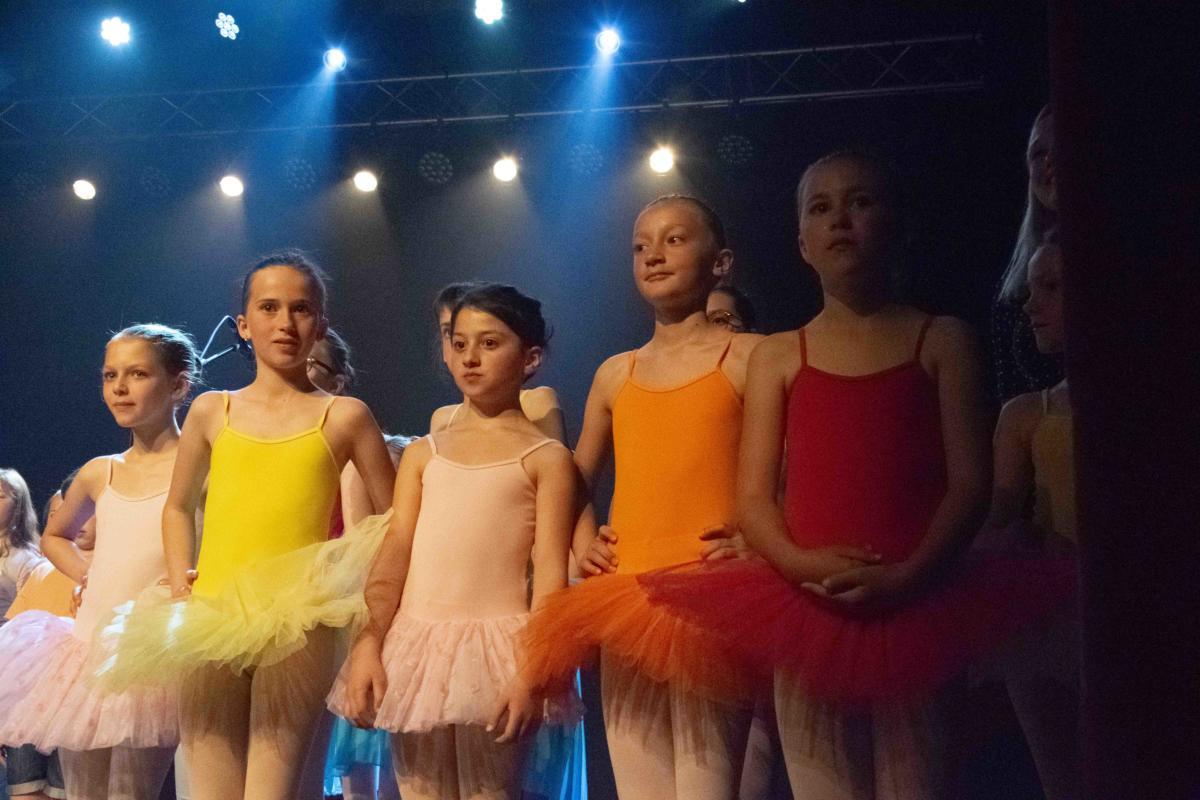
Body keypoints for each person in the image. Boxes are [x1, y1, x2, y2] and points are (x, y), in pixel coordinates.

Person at [631, 150, 1075, 799]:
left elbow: (970, 486)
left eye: (860, 202)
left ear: (896, 222)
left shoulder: (942, 340)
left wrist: (908, 575)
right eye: (820, 207)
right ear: (801, 243)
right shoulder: (780, 355)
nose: (840, 219)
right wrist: (803, 567)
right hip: (810, 609)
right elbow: (754, 498)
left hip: (919, 605)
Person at [94, 251, 396, 800]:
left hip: (298, 621)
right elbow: (178, 506)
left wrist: (371, 623)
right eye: (269, 308)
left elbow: (395, 523)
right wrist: (182, 583)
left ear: (320, 324)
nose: (285, 323)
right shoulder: (213, 410)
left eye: (301, 309)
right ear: (243, 324)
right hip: (214, 613)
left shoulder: (345, 416)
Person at [521, 194, 763, 800]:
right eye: (640, 245)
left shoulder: (754, 357)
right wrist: (583, 543)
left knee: (709, 787)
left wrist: (761, 539)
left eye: (675, 240)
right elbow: (572, 479)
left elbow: (791, 465)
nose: (654, 254)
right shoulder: (616, 372)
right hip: (627, 595)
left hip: (714, 594)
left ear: (721, 262)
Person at [330, 284, 580, 799]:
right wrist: (369, 643)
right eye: (460, 343)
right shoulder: (424, 454)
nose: (470, 357)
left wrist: (530, 672)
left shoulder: (546, 458)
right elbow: (395, 551)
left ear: (530, 358)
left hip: (499, 650)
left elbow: (550, 576)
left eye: (490, 343)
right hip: (416, 646)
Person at [0, 324, 201, 799]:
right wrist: (86, 574)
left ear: (178, 385)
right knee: (81, 792)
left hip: (152, 656)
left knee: (134, 791)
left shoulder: (200, 468)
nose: (120, 387)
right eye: (111, 375)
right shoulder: (100, 471)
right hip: (87, 649)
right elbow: (54, 535)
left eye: (138, 374)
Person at [980, 235, 1079, 800]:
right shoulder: (1025, 415)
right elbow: (1000, 521)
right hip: (1049, 619)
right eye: (1032, 288)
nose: (1031, 304)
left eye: (1052, 287)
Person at [429, 282, 567, 443]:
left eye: (488, 342)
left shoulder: (536, 401)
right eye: (451, 334)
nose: (469, 356)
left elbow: (549, 454)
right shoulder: (442, 418)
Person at [991, 105, 1064, 402]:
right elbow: (1008, 387)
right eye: (1038, 153)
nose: (1049, 161)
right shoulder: (1015, 282)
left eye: (1061, 146)